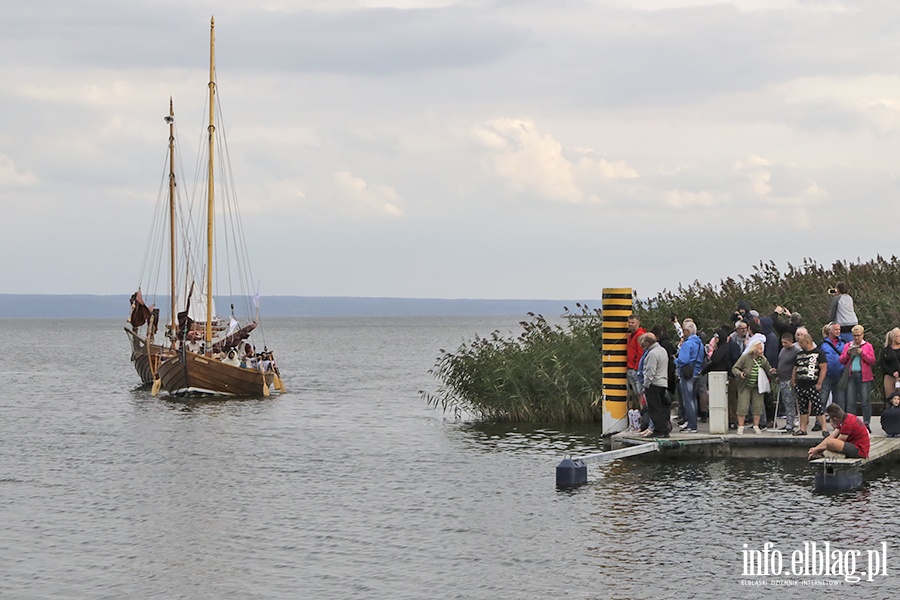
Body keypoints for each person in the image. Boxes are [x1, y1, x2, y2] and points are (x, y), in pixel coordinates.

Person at [731, 341, 775, 434]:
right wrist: (740, 374)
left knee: (758, 406)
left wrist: (772, 372)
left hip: (757, 386)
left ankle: (756, 425)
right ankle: (741, 426)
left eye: (762, 348)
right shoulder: (745, 358)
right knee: (742, 406)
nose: (761, 350)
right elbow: (735, 368)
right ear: (754, 349)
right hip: (745, 385)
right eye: (759, 349)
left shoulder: (763, 359)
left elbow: (768, 370)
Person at [839, 325, 876, 432]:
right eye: (854, 336)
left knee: (865, 401)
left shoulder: (867, 346)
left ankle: (866, 423)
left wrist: (862, 353)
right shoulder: (847, 345)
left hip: (864, 376)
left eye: (858, 335)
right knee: (850, 401)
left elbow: (872, 361)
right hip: (851, 376)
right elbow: (841, 360)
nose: (856, 338)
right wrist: (848, 353)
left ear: (862, 335)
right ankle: (852, 424)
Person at [792, 332, 828, 436]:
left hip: (812, 384)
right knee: (802, 408)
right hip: (800, 385)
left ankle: (824, 428)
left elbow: (823, 368)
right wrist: (794, 382)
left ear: (808, 342)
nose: (800, 345)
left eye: (801, 343)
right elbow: (795, 368)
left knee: (818, 407)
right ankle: (803, 429)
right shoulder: (799, 355)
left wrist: (819, 383)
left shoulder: (819, 354)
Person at [674, 320, 704, 433]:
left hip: (687, 373)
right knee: (694, 399)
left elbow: (683, 360)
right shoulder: (700, 343)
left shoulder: (687, 344)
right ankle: (693, 422)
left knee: (688, 400)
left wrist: (675, 360)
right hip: (697, 372)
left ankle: (692, 425)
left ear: (687, 331)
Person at [639, 333, 670, 438]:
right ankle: (664, 429)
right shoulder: (662, 350)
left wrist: (646, 384)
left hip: (654, 384)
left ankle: (659, 430)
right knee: (661, 407)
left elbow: (650, 370)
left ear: (648, 342)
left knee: (654, 408)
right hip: (663, 382)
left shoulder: (652, 353)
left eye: (644, 342)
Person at [776, 331, 801, 433]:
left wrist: (793, 379)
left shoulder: (796, 351)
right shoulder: (782, 350)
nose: (783, 345)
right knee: (785, 402)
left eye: (786, 343)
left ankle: (790, 424)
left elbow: (797, 366)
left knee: (790, 401)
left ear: (791, 341)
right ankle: (788, 422)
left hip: (789, 380)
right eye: (782, 342)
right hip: (782, 379)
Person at [819, 322, 846, 415]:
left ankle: (840, 422)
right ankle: (819, 422)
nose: (838, 331)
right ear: (830, 330)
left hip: (839, 375)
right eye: (836, 329)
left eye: (839, 329)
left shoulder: (844, 343)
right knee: (822, 399)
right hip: (826, 375)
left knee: (839, 400)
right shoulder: (822, 344)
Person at [625, 314, 647, 411]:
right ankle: (642, 413)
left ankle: (644, 413)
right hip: (630, 367)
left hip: (635, 369)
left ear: (638, 322)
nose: (630, 324)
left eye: (632, 322)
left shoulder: (639, 335)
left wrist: (637, 368)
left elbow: (640, 353)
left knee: (640, 393)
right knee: (637, 393)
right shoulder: (631, 336)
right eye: (629, 322)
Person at [879, 327, 900, 398]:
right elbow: (882, 363)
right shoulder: (886, 350)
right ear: (893, 338)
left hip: (899, 375)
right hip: (889, 376)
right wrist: (892, 372)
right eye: (898, 336)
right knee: (889, 397)